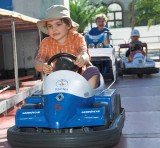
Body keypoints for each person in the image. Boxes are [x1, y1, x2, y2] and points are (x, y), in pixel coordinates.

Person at [34, 5, 100, 89]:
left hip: (79, 81)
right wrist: (43, 66)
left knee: (93, 70)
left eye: (58, 24)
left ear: (68, 25)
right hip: (57, 82)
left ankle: (86, 96)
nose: (54, 29)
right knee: (46, 83)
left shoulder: (77, 38)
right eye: (50, 26)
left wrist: (82, 58)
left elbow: (84, 53)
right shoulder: (46, 42)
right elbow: (38, 61)